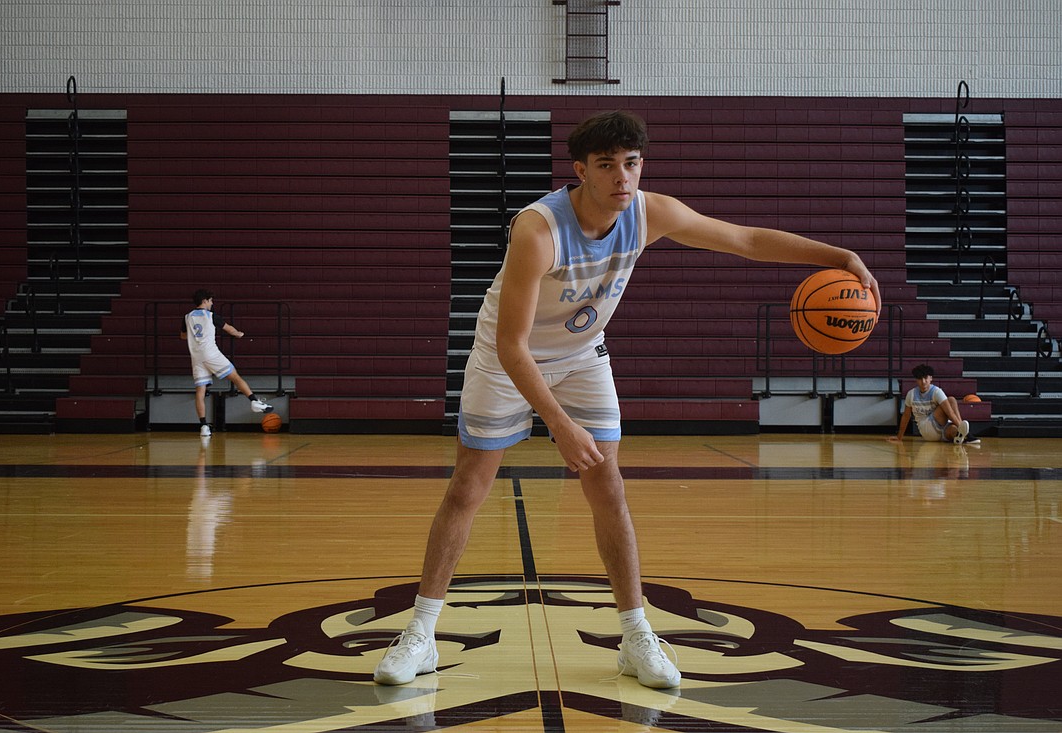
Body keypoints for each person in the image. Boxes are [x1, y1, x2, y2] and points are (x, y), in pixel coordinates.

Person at [373, 110, 881, 689]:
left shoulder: (649, 212)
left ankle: (636, 636)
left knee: (608, 487)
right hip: (504, 358)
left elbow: (743, 239)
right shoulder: (537, 230)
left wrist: (837, 257)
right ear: (580, 170)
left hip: (583, 354)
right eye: (607, 165)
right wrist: (559, 425)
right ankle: (420, 633)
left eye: (631, 164)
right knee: (468, 488)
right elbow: (512, 346)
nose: (622, 177)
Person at [180, 289, 273, 437]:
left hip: (196, 357)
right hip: (211, 354)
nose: (212, 303)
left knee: (200, 391)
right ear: (205, 300)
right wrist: (239, 334)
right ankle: (254, 401)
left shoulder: (187, 317)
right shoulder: (211, 316)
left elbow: (183, 336)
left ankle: (204, 426)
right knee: (235, 376)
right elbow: (229, 329)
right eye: (211, 300)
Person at [887, 363, 980, 445]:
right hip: (926, 427)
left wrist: (899, 437)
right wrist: (899, 437)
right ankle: (967, 434)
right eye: (920, 379)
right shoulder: (912, 394)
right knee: (951, 400)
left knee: (953, 430)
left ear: (931, 378)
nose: (923, 381)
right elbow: (906, 416)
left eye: (925, 378)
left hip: (941, 429)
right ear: (916, 380)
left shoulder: (935, 391)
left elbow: (950, 414)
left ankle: (959, 436)